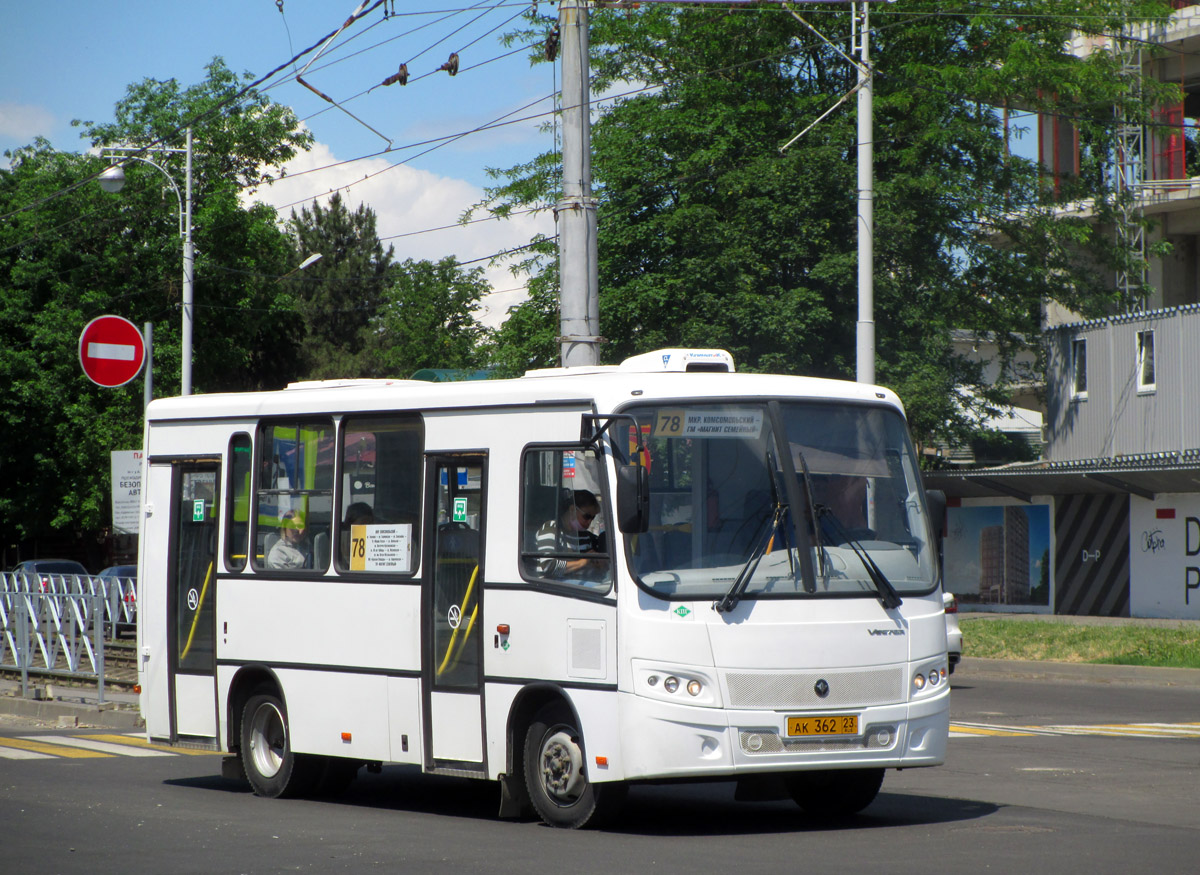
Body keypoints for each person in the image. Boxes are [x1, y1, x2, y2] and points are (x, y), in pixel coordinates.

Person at [536, 489, 607, 579]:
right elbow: (548, 566)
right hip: (553, 586)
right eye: (587, 516)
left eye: (592, 518)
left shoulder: (585, 536)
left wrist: (597, 564)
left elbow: (584, 567)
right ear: (572, 509)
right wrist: (582, 562)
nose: (589, 522)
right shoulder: (550, 529)